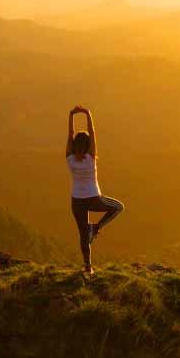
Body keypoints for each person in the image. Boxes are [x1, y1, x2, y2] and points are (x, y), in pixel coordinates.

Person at [66, 105, 124, 275]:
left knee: (83, 235)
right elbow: (93, 134)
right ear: (88, 145)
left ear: (75, 144)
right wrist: (88, 114)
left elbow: (70, 136)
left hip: (76, 201)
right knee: (118, 207)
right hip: (93, 198)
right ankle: (96, 227)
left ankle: (88, 267)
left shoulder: (69, 159)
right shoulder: (91, 158)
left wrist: (71, 115)